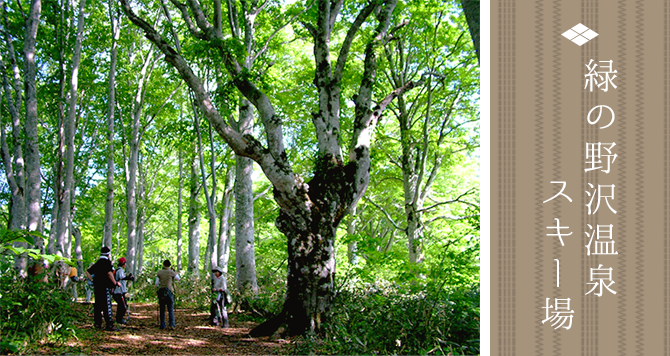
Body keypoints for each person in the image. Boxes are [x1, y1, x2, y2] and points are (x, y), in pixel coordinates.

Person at [86, 246, 122, 331]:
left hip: (97, 287)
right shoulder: (107, 263)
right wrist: (115, 283)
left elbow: (87, 272)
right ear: (108, 254)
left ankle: (97, 324)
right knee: (107, 305)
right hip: (105, 287)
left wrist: (92, 280)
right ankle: (109, 325)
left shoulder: (98, 263)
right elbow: (109, 273)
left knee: (98, 305)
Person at [155, 259, 180, 330]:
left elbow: (156, 284)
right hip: (169, 291)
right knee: (170, 309)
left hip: (161, 291)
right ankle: (172, 324)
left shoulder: (159, 272)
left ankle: (162, 325)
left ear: (163, 264)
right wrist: (175, 272)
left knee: (162, 309)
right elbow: (178, 278)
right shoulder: (171, 272)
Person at [112, 257, 134, 324]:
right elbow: (122, 278)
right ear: (123, 264)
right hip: (118, 291)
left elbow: (122, 278)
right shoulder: (120, 270)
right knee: (123, 306)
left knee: (122, 305)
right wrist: (129, 278)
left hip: (119, 291)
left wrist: (128, 277)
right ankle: (119, 319)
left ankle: (119, 318)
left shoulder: (119, 270)